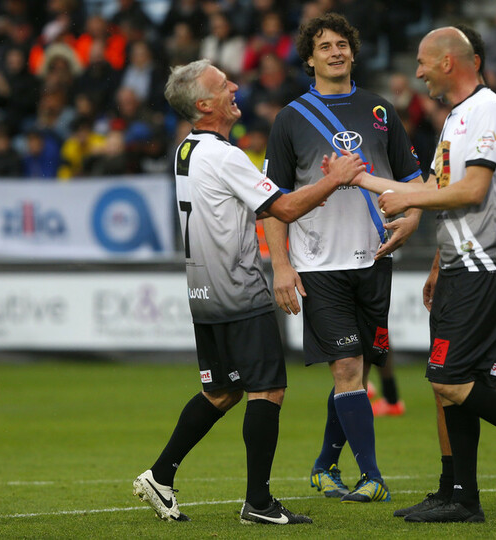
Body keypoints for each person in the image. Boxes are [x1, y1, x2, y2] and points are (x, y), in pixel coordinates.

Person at [131, 58, 365, 525]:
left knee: (222, 392)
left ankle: (160, 475)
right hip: (237, 290)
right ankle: (258, 503)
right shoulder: (225, 155)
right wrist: (335, 179)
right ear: (204, 105)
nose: (235, 87)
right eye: (223, 85)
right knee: (268, 389)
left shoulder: (186, 150)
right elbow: (283, 208)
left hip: (203, 293)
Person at [351, 27, 496, 523]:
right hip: (460, 265)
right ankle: (461, 495)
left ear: (449, 62)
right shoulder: (458, 116)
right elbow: (438, 186)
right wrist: (362, 179)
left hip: (482, 267)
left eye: (423, 62)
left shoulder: (487, 111)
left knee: (452, 379)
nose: (417, 72)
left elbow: (472, 190)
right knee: (457, 381)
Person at [263, 13, 425, 503]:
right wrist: (281, 265)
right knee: (348, 368)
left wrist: (413, 219)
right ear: (309, 59)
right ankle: (372, 477)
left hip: (374, 259)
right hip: (319, 266)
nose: (335, 52)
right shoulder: (290, 119)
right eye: (325, 46)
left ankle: (323, 466)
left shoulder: (380, 109)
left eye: (342, 44)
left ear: (353, 52)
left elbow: (413, 181)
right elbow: (273, 202)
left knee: (361, 369)